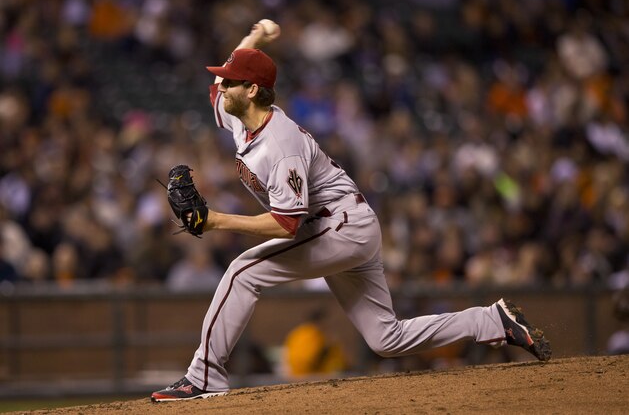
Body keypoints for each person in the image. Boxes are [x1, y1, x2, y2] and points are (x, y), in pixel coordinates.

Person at [150, 20, 551, 402]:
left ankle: (204, 377)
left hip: (339, 227)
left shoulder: (281, 144)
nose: (222, 85)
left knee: (241, 272)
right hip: (342, 225)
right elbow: (216, 87)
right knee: (385, 339)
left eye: (232, 81)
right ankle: (492, 321)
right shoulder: (244, 120)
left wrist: (215, 220)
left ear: (252, 90)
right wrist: (254, 37)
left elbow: (287, 225)